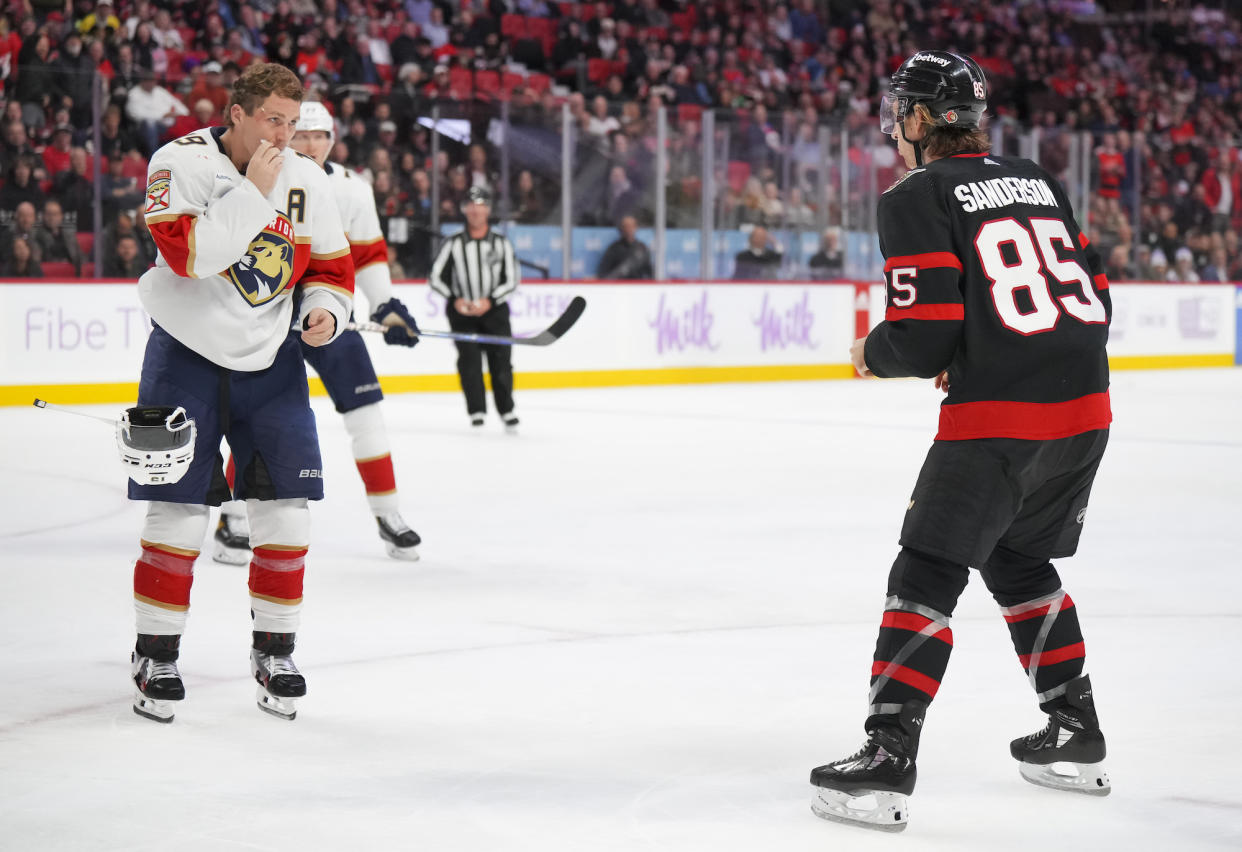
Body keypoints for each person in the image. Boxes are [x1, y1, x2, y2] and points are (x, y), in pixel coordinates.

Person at [809, 50, 1114, 832]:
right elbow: (1093, 297)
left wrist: (871, 354)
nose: (893, 125)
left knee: (928, 567)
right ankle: (1075, 732)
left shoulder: (916, 193)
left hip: (1003, 419)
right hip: (1084, 409)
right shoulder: (1039, 178)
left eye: (898, 110)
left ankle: (887, 755)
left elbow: (922, 336)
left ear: (917, 119)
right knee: (1015, 558)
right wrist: (986, 348)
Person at [127, 62, 354, 725]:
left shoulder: (307, 181)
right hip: (181, 359)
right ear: (237, 114)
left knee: (287, 513)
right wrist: (254, 193)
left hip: (273, 362)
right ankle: (156, 655)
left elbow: (332, 270)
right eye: (273, 120)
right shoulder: (180, 163)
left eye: (293, 121)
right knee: (175, 515)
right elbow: (185, 256)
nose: (285, 135)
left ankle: (275, 652)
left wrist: (326, 309)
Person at [213, 100, 423, 565]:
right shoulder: (258, 175)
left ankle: (389, 514)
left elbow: (366, 255)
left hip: (331, 311)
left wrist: (385, 305)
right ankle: (235, 519)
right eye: (301, 134)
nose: (310, 143)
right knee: (254, 419)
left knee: (367, 412)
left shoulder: (351, 188)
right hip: (268, 318)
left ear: (332, 140)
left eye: (319, 136)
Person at [429, 186, 520, 430]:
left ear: (488, 210)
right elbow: (436, 277)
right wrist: (455, 299)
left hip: (494, 311)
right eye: (471, 205)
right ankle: (476, 411)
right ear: (465, 209)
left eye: (480, 205)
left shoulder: (500, 243)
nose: (476, 210)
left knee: (501, 361)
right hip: (463, 312)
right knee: (469, 362)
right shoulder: (454, 243)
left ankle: (506, 409)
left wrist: (489, 301)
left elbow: (511, 280)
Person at [596, 215, 653, 279]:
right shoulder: (614, 249)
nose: (628, 229)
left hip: (638, 286)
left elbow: (650, 272)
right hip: (619, 286)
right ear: (621, 229)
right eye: (626, 226)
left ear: (636, 228)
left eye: (631, 226)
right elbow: (603, 272)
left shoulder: (642, 248)